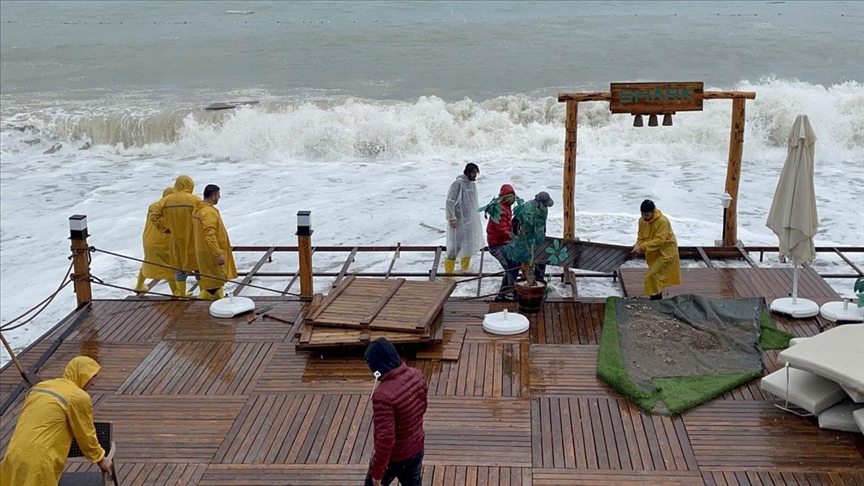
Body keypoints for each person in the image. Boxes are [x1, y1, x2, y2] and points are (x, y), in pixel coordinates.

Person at [1, 356, 112, 486]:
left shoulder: (41, 387)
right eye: (92, 376)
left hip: (13, 455)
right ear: (81, 374)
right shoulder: (78, 397)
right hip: (40, 461)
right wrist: (100, 459)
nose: (93, 382)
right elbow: (85, 434)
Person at [364, 337, 428, 486]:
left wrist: (377, 473)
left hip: (395, 458)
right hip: (416, 447)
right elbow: (422, 408)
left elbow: (386, 438)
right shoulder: (417, 375)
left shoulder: (383, 396)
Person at [149, 175, 201, 296]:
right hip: (192, 238)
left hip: (175, 239)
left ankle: (181, 295)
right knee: (198, 267)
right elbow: (203, 216)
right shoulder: (194, 199)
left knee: (179, 267)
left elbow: (154, 215)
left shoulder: (166, 200)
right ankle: (204, 292)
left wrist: (165, 228)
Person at [192, 184, 237, 300]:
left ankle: (220, 298)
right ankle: (199, 302)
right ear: (213, 196)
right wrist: (217, 253)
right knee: (212, 283)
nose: (219, 197)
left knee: (215, 281)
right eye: (218, 195)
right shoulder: (208, 212)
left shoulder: (198, 210)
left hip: (202, 250)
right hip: (210, 252)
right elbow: (209, 235)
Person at [631, 199, 682, 300]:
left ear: (653, 212)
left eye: (646, 215)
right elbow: (641, 236)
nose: (644, 217)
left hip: (666, 252)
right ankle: (657, 300)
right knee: (656, 278)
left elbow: (660, 241)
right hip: (653, 252)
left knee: (651, 275)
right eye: (642, 214)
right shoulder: (642, 221)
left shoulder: (663, 221)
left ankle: (655, 300)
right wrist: (637, 244)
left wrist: (643, 247)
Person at [134, 187, 179, 294]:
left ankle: (139, 285)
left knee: (148, 262)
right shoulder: (170, 209)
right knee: (170, 267)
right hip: (162, 243)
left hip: (148, 240)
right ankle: (176, 292)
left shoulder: (153, 206)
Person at [444, 163, 484, 278]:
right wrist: (451, 217)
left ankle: (465, 268)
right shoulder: (458, 184)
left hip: (470, 220)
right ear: (467, 172)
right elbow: (450, 201)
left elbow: (473, 202)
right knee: (455, 246)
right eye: (473, 173)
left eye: (476, 173)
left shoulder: (472, 185)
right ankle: (448, 275)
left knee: (469, 244)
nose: (475, 175)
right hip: (459, 220)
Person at [485, 184, 520, 301]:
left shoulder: (507, 207)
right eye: (511, 197)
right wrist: (513, 237)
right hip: (496, 244)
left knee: (513, 266)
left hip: (505, 242)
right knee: (511, 268)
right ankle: (512, 293)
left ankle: (502, 295)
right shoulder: (499, 209)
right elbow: (501, 229)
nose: (513, 200)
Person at [520, 191, 554, 284]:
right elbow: (525, 224)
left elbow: (543, 224)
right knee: (529, 260)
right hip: (529, 237)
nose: (547, 207)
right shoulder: (529, 208)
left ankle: (539, 278)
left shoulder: (543, 208)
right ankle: (528, 279)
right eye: (545, 204)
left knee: (542, 258)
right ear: (540, 202)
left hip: (540, 236)